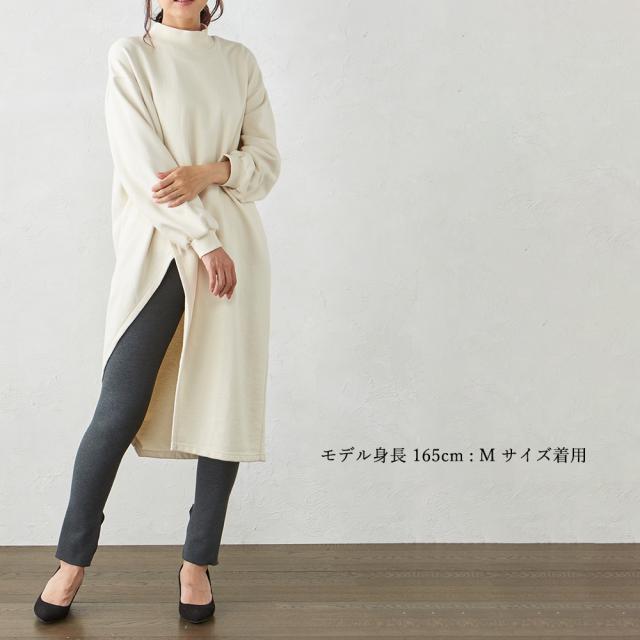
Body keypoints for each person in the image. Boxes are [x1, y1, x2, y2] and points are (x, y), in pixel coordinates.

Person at [33, 0, 281, 625]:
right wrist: (204, 237)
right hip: (162, 249)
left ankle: (197, 565)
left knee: (224, 405)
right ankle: (70, 562)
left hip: (235, 253)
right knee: (119, 406)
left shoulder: (238, 61)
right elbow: (142, 166)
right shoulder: (132, 57)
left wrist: (210, 171)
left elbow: (265, 166)